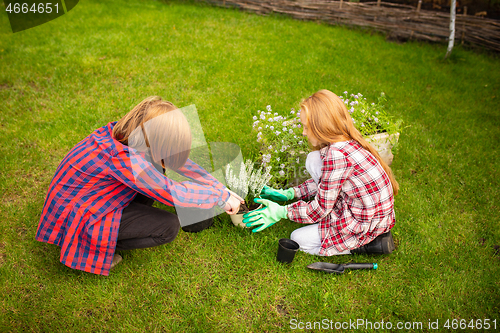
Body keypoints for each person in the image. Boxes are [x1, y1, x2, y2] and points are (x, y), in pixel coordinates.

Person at [36, 96, 243, 276]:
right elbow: (172, 193)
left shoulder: (130, 133)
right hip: (81, 216)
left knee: (158, 166)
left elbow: (178, 162)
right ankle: (97, 247)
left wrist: (219, 188)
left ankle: (119, 224)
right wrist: (219, 198)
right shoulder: (124, 159)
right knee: (168, 227)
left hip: (91, 198)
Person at [243, 89, 399, 256]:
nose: (303, 132)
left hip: (364, 223)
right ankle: (364, 237)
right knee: (313, 159)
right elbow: (328, 181)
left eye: (306, 127)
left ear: (321, 127)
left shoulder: (337, 156)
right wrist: (290, 193)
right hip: (372, 213)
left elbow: (319, 210)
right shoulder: (344, 142)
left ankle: (370, 244)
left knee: (298, 239)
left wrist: (282, 212)